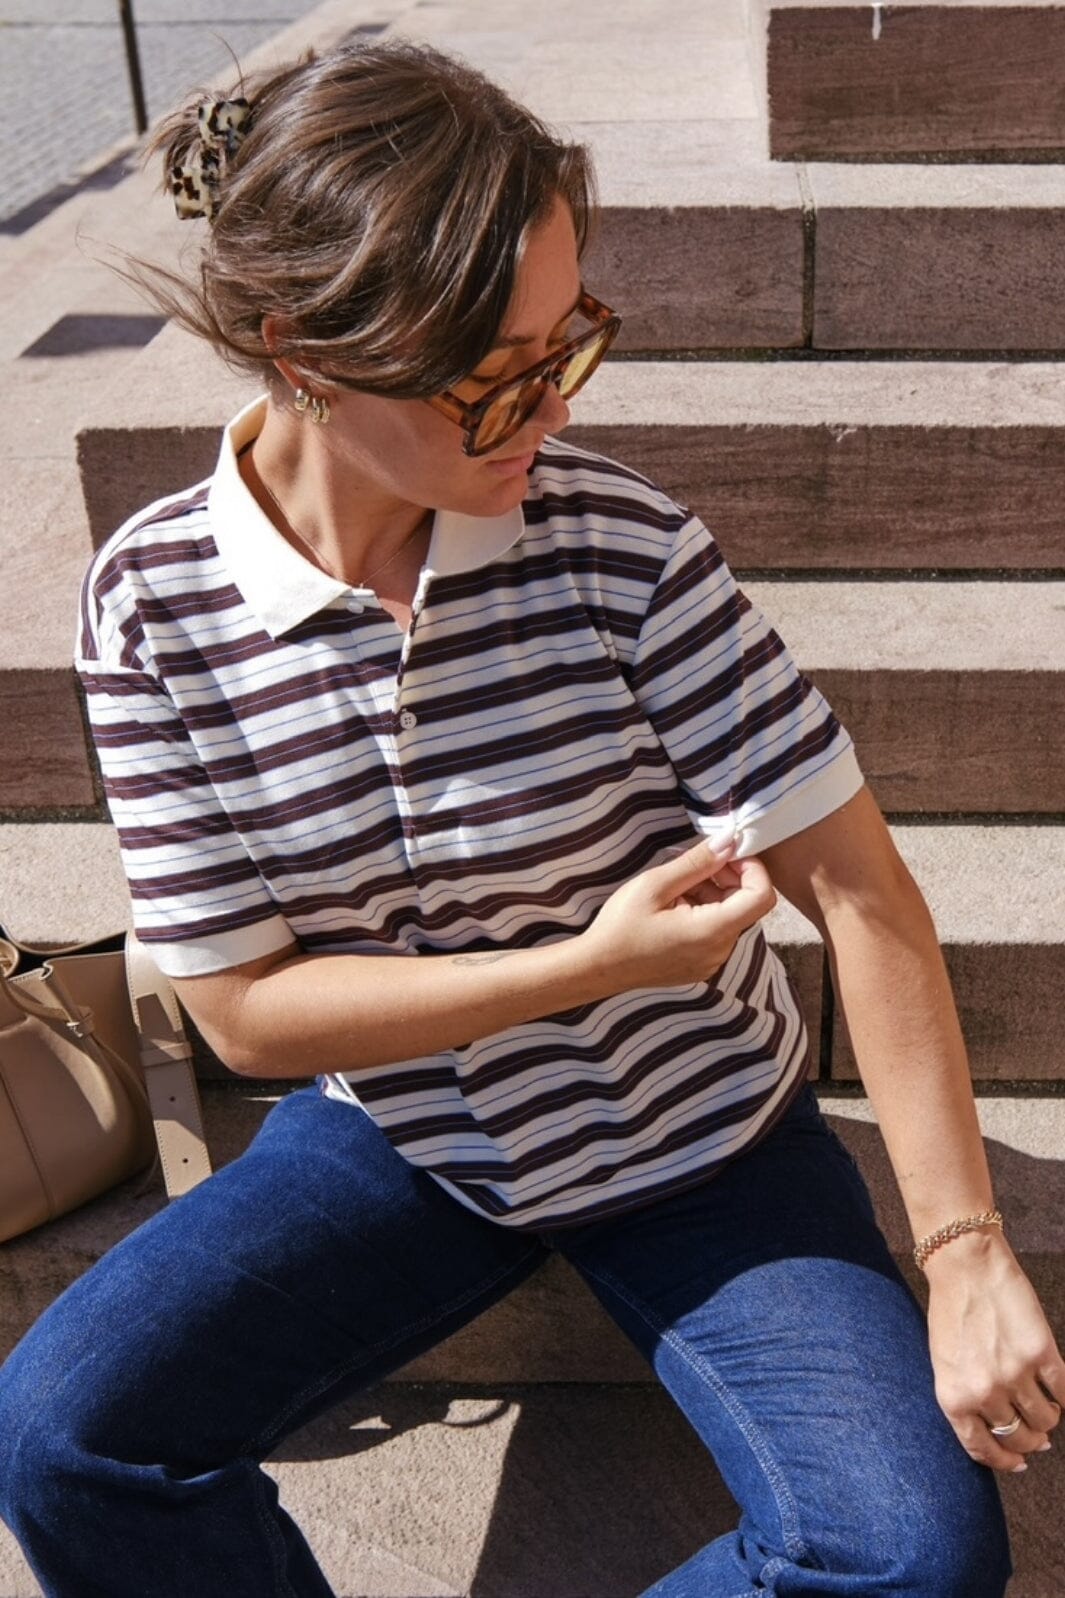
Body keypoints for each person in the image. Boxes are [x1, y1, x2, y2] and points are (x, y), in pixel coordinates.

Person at [0, 36, 1059, 1598]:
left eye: (571, 342)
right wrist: (587, 964)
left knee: (905, 1553)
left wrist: (964, 1249)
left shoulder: (618, 546)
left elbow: (856, 887)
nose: (549, 409)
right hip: (408, 1142)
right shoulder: (153, 605)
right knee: (63, 1436)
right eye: (496, 377)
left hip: (703, 1131)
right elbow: (243, 1013)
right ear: (304, 350)